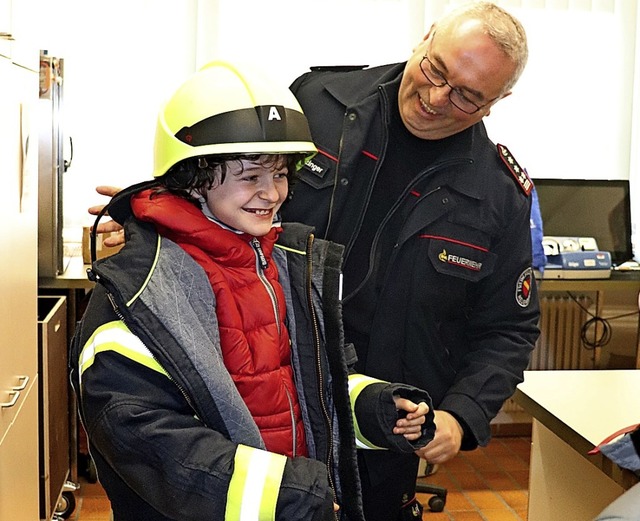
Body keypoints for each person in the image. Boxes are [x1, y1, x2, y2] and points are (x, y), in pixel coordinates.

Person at [90, 2, 541, 519]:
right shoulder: (317, 103)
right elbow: (223, 177)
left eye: (465, 96)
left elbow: (509, 327)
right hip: (248, 386)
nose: (437, 98)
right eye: (436, 70)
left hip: (378, 415)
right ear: (426, 38)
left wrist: (462, 416)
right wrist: (155, 219)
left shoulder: (500, 194)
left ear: (497, 102)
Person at [70, 60, 436, 521]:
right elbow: (148, 438)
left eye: (281, 173)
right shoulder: (140, 288)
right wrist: (295, 495)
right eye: (250, 177)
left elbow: (307, 384)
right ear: (194, 176)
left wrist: (375, 407)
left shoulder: (286, 265)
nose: (273, 193)